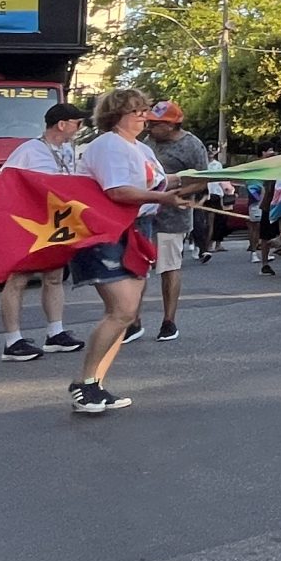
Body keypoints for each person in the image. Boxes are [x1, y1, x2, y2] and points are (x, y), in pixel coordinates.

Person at [68, 88, 199, 414]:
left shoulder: (139, 148)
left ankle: (94, 384)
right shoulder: (110, 145)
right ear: (116, 114)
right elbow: (118, 191)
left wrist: (202, 176)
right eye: (137, 111)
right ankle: (84, 384)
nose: (144, 116)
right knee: (122, 311)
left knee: (125, 314)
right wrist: (165, 199)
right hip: (107, 231)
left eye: (145, 110)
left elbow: (157, 180)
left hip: (136, 230)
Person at [0, 103, 88, 361]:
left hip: (57, 222)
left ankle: (55, 332)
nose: (79, 129)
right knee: (19, 278)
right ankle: (12, 341)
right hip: (30, 222)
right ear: (62, 124)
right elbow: (4, 180)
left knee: (54, 276)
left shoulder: (67, 150)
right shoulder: (29, 150)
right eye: (77, 123)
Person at [142, 100, 208, 342]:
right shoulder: (146, 142)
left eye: (155, 124)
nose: (148, 127)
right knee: (138, 267)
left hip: (173, 216)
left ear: (170, 125)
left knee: (169, 267)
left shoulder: (192, 145)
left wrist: (174, 195)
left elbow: (202, 180)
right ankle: (132, 321)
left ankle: (169, 321)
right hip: (143, 212)